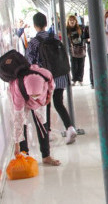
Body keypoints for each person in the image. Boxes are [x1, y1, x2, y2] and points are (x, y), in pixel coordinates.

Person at [27, 12, 78, 145]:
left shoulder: (33, 42)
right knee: (59, 103)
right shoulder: (55, 37)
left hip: (45, 79)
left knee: (46, 105)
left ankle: (48, 132)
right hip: (60, 75)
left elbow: (30, 63)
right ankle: (70, 128)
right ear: (45, 24)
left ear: (35, 25)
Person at [9, 64, 60, 166]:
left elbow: (52, 86)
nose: (35, 98)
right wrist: (16, 146)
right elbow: (17, 121)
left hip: (41, 99)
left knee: (43, 124)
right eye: (33, 96)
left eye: (37, 95)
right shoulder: (18, 90)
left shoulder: (46, 75)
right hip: (22, 96)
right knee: (22, 124)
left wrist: (48, 97)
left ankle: (46, 156)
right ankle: (24, 155)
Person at [66, 15, 86, 86]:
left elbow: (84, 36)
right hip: (72, 49)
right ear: (68, 21)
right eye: (70, 20)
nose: (72, 21)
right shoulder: (67, 29)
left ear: (76, 21)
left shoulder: (80, 28)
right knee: (73, 64)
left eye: (73, 20)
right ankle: (74, 79)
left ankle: (80, 79)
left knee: (81, 64)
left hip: (80, 48)